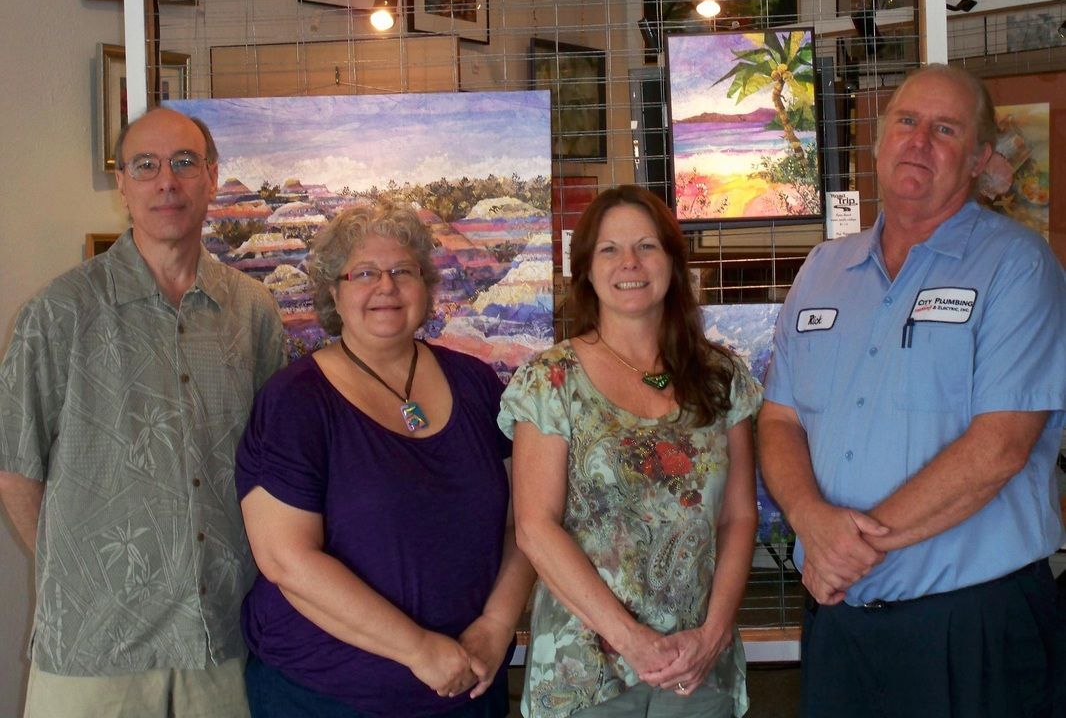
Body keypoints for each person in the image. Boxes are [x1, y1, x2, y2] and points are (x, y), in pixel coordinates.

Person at [758, 64, 1066, 718]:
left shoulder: (1019, 266)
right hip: (842, 624)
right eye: (907, 121)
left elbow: (1000, 450)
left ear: (981, 158)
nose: (919, 140)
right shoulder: (822, 270)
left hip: (973, 627)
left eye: (945, 129)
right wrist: (811, 520)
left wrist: (849, 548)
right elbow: (780, 419)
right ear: (877, 140)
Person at [0, 107, 286, 717]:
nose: (167, 181)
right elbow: (15, 469)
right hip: (94, 645)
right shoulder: (59, 313)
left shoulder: (253, 311)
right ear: (122, 186)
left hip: (223, 638)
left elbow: (275, 467)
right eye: (146, 165)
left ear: (212, 177)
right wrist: (84, 575)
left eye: (185, 162)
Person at [236, 201, 535, 718]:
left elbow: (521, 522)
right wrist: (418, 650)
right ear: (334, 291)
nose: (387, 287)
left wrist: (495, 626)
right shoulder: (296, 401)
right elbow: (287, 559)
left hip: (467, 685)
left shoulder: (477, 385)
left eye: (403, 271)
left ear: (427, 285)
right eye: (364, 273)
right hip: (327, 696)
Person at [500, 185, 760, 717]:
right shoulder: (550, 380)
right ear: (587, 270)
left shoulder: (720, 377)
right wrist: (633, 642)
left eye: (646, 246)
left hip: (697, 665)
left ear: (672, 260)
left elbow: (738, 517)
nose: (630, 264)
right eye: (609, 249)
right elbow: (534, 528)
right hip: (585, 672)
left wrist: (712, 635)